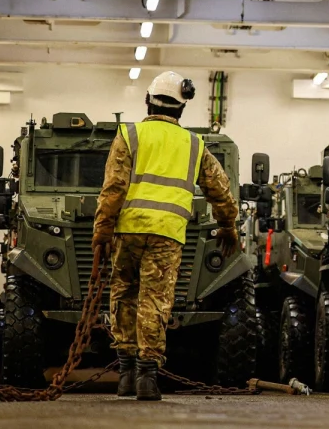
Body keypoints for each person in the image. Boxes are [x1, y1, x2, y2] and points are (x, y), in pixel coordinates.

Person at [92, 71, 238, 401]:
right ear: (182, 109)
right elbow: (221, 190)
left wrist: (101, 231)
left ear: (147, 101)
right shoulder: (194, 145)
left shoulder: (129, 135)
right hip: (167, 234)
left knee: (123, 294)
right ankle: (147, 377)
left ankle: (126, 374)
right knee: (154, 301)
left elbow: (113, 189)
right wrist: (228, 226)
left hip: (128, 230)